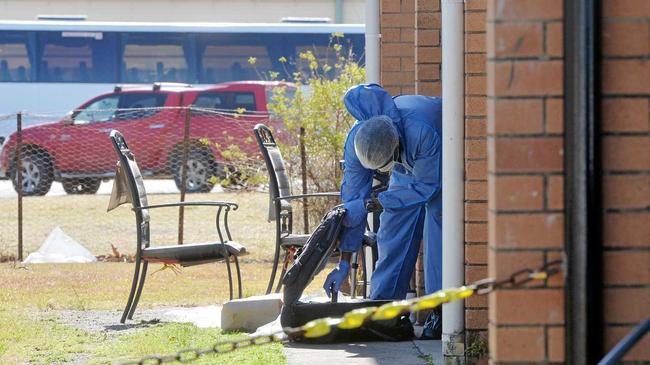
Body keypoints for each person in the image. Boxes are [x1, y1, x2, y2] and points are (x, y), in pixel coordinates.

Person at [323, 83, 442, 335]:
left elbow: (427, 187)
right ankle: (385, 310)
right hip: (405, 161)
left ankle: (441, 311)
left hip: (438, 155)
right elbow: (354, 202)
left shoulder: (422, 130)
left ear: (394, 146)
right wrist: (344, 261)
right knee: (391, 230)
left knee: (438, 224)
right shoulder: (359, 141)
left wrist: (380, 201)